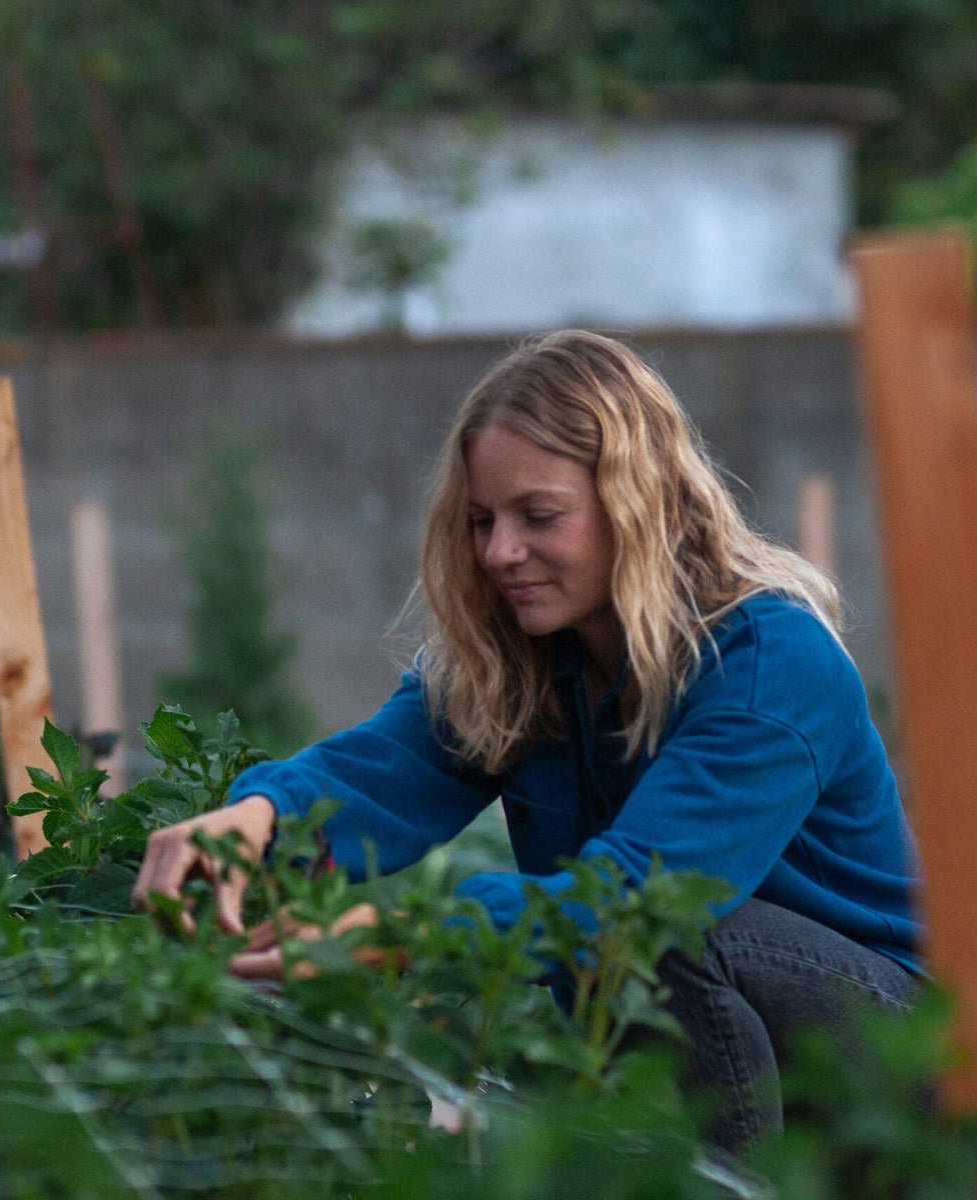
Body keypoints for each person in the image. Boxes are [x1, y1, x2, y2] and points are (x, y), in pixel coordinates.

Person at [132, 329, 921, 1151]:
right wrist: (255, 821)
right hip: (730, 1027)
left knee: (667, 927)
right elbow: (387, 768)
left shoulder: (769, 665)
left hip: (898, 1046)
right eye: (481, 520)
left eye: (539, 516)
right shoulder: (531, 658)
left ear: (636, 504)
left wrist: (400, 933)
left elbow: (630, 905)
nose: (500, 553)